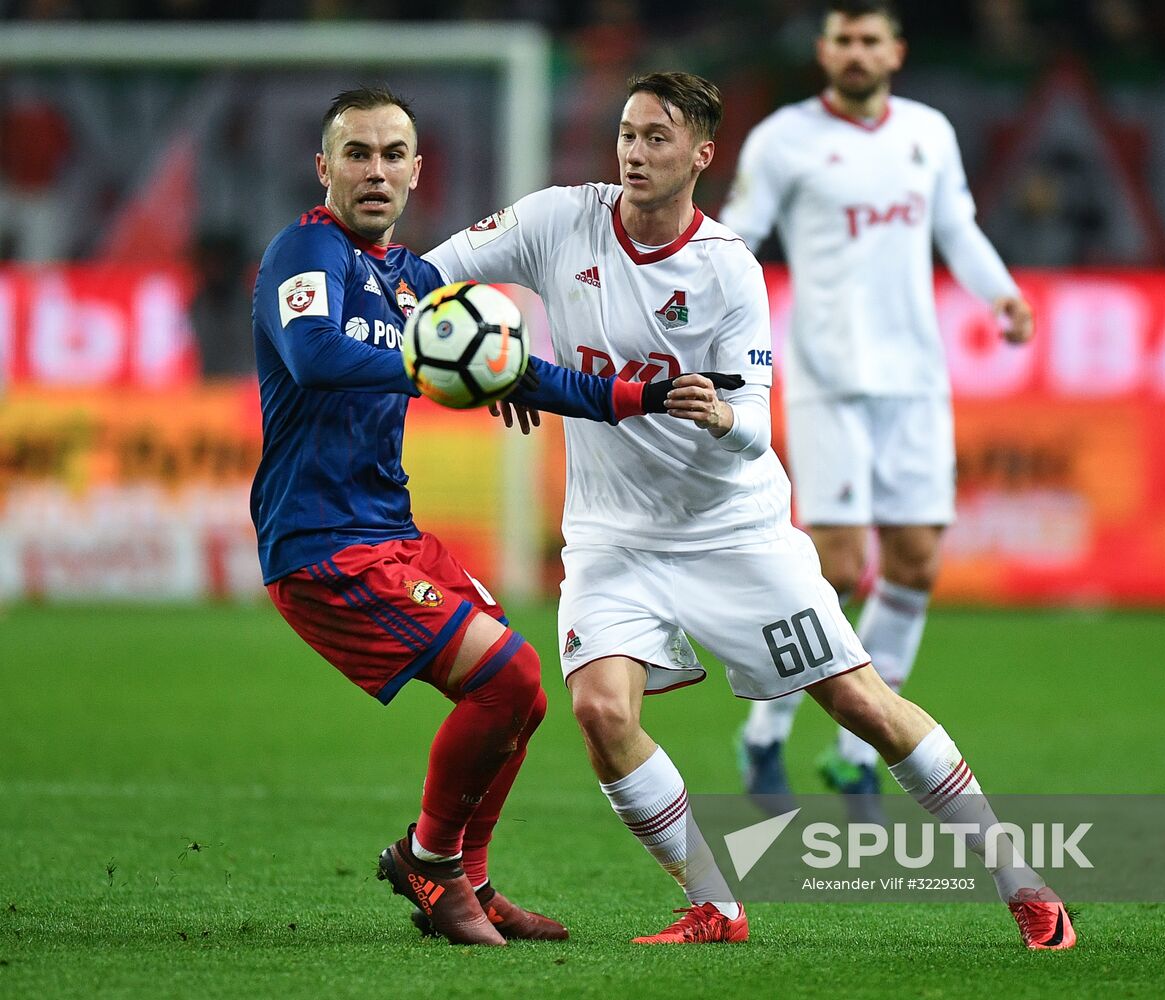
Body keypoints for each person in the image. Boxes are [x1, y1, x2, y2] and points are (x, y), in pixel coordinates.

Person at [425, 71, 1073, 949]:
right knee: (602, 715)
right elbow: (433, 271)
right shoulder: (556, 220)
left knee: (861, 704)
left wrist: (721, 414)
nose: (634, 151)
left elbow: (755, 433)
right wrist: (482, 357)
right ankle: (716, 908)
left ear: (701, 154)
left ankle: (1027, 888)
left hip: (733, 532)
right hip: (613, 536)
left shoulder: (726, 269)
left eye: (657, 137)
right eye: (626, 132)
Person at [251, 86, 679, 947]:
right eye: (358, 153)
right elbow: (313, 354)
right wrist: (436, 361)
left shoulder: (413, 281)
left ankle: (470, 886)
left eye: (392, 154)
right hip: (322, 544)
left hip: (390, 534)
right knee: (512, 675)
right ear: (324, 166)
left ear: (417, 169)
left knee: (521, 704)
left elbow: (517, 369)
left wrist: (627, 396)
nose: (376, 170)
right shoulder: (305, 250)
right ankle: (430, 861)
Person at [720, 0, 1036, 814]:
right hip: (828, 377)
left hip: (916, 378)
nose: (856, 52)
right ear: (823, 50)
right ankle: (764, 731)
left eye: (870, 39)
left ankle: (857, 749)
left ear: (895, 50)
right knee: (832, 567)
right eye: (842, 40)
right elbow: (737, 238)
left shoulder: (927, 131)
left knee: (916, 563)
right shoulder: (783, 138)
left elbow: (957, 227)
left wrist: (1001, 294)